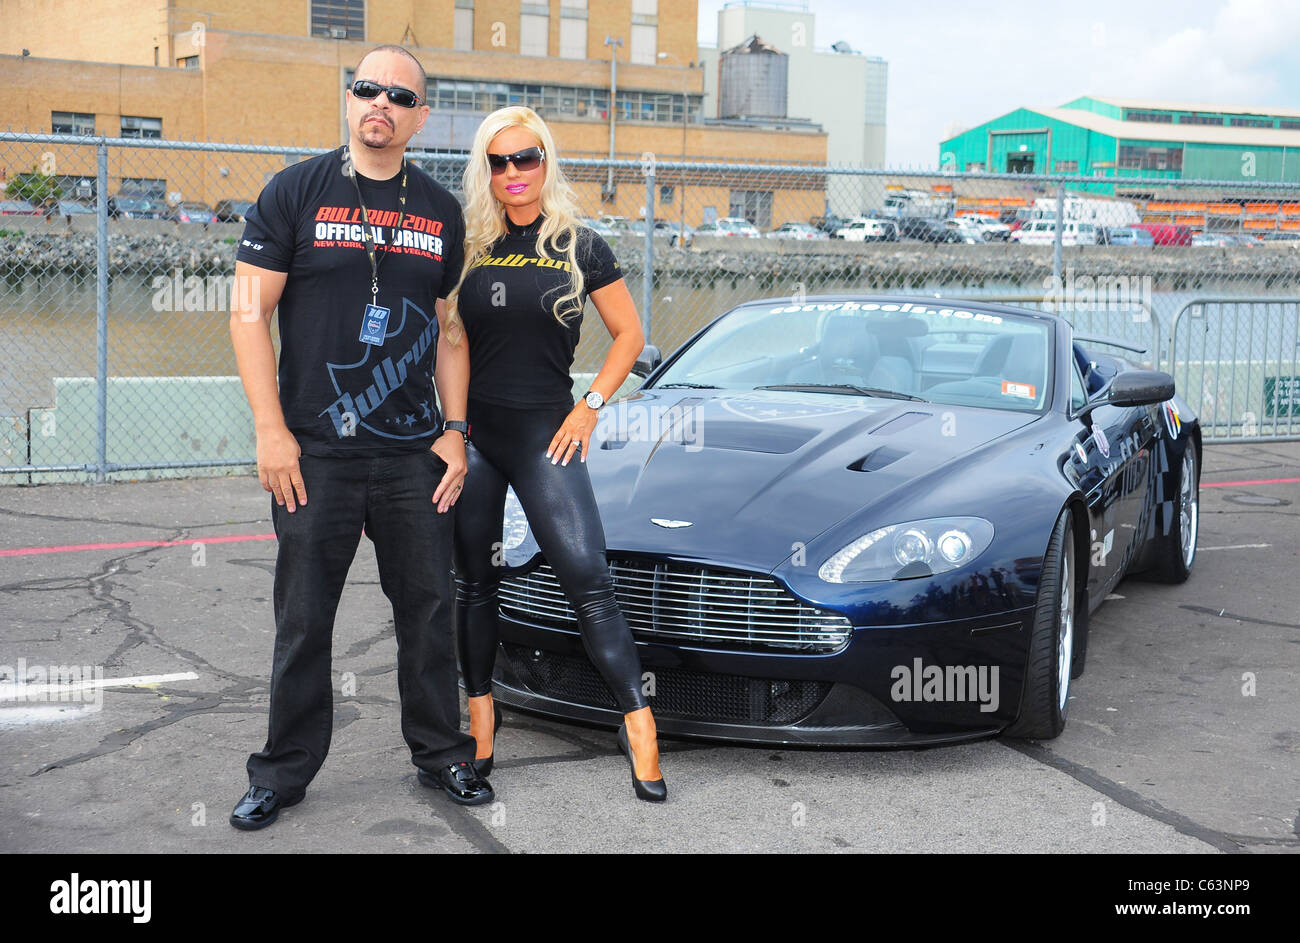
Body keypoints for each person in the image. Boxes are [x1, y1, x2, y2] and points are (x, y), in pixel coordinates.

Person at [226, 45, 492, 830]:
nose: (380, 102)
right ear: (349, 99)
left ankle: (442, 752)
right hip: (315, 453)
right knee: (304, 619)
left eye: (398, 95)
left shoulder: (441, 211)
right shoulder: (293, 191)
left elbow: (450, 331)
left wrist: (454, 431)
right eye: (367, 88)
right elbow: (248, 314)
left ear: (419, 117)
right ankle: (282, 770)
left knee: (428, 608)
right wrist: (271, 430)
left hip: (414, 454)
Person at [447, 106, 666, 801]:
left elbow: (628, 335)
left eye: (527, 157)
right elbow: (448, 342)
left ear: (546, 161)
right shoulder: (467, 245)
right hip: (477, 439)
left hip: (548, 435)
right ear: (486, 170)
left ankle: (640, 725)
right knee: (474, 583)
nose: (514, 173)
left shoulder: (580, 245)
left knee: (588, 580)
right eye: (499, 161)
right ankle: (481, 717)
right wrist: (450, 427)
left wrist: (590, 405)